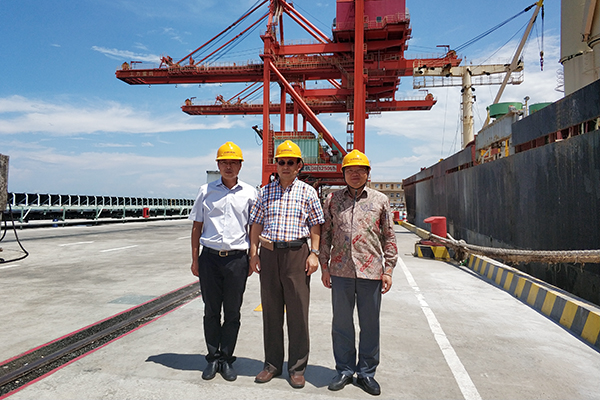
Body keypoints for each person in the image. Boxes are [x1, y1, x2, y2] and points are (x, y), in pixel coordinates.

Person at [319, 149, 398, 396]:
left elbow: (389, 236)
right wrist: (324, 266)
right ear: (343, 173)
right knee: (341, 324)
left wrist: (388, 269)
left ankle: (366, 373)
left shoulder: (380, 200)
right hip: (340, 271)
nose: (355, 174)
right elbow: (326, 234)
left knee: (370, 325)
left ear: (367, 173)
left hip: (371, 272)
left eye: (360, 170)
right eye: (350, 170)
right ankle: (344, 370)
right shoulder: (333, 199)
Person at [248, 140, 325, 389]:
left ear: (299, 165)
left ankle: (297, 368)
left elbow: (316, 225)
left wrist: (314, 254)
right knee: (271, 311)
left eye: (291, 162)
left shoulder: (308, 192)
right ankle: (272, 364)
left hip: (297, 254)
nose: (285, 166)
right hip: (269, 254)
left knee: (298, 312)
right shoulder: (264, 192)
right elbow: (257, 224)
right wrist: (254, 253)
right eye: (281, 162)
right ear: (276, 165)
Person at [189, 141, 257, 382]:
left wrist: (253, 257)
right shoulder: (205, 191)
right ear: (218, 165)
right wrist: (195, 259)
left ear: (240, 166)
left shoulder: (250, 193)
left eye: (233, 163)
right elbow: (197, 226)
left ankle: (226, 358)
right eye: (224, 162)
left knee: (232, 311)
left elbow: (253, 228)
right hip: (209, 258)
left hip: (237, 259)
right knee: (211, 310)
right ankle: (212, 358)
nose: (229, 167)